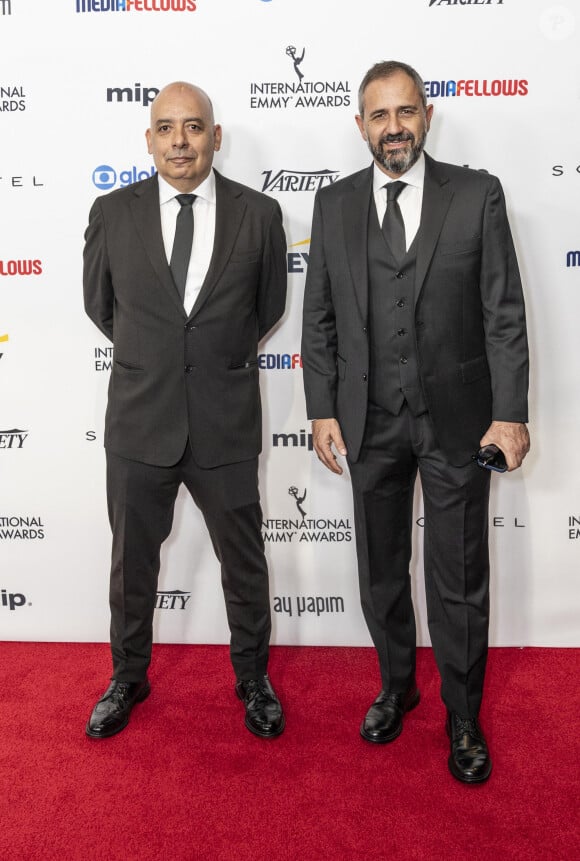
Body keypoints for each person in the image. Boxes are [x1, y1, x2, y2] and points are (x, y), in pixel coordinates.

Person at [301, 61, 529, 783]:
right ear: (361, 124)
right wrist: (320, 408)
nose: (393, 127)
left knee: (458, 577)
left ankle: (463, 716)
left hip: (459, 423)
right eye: (379, 115)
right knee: (380, 571)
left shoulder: (477, 193)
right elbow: (321, 319)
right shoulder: (333, 205)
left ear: (426, 116)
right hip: (369, 422)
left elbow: (504, 313)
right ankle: (397, 687)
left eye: (405, 112)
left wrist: (510, 413)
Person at [84, 82, 287, 740]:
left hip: (224, 418)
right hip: (141, 419)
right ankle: (127, 674)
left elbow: (268, 308)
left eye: (194, 127)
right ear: (148, 139)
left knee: (244, 558)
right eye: (166, 128)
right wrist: (160, 355)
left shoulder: (259, 215)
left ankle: (253, 676)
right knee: (131, 562)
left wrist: (208, 356)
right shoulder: (112, 212)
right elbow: (102, 306)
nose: (180, 140)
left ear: (215, 137)